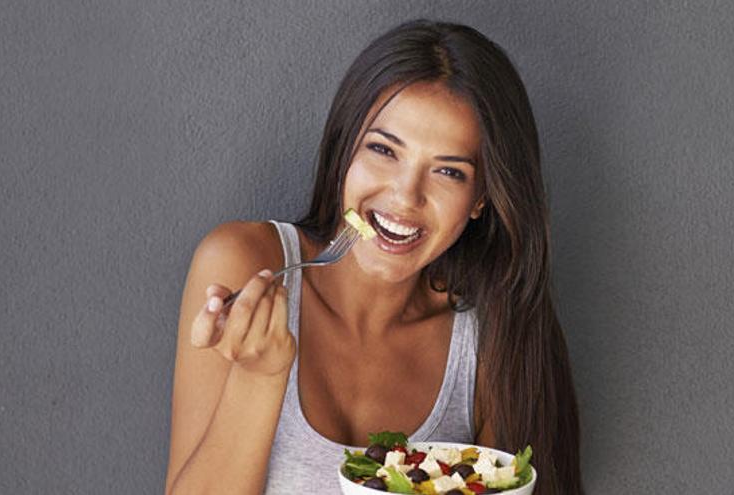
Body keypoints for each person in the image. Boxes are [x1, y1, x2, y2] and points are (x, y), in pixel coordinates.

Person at [165, 19, 584, 495]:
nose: (405, 197)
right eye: (384, 149)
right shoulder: (242, 261)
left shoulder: (491, 337)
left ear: (481, 200)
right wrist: (258, 378)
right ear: (346, 150)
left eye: (448, 171)